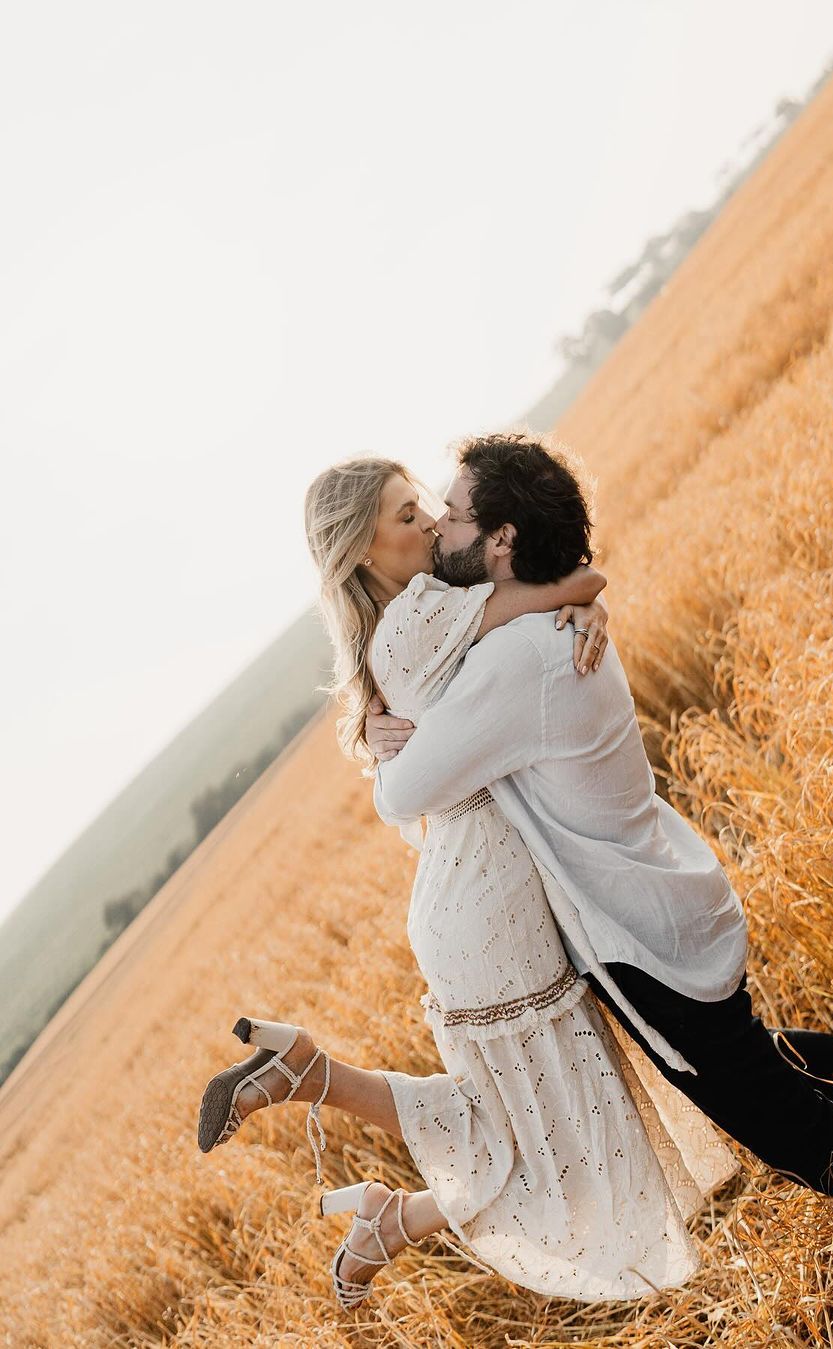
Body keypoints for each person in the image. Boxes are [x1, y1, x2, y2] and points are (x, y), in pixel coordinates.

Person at [366, 431, 833, 1251]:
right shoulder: (546, 624)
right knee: (760, 1066)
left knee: (793, 1133)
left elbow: (403, 794)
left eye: (453, 514)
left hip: (640, 941)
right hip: (669, 898)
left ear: (503, 541)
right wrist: (583, 591)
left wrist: (384, 745)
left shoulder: (520, 659)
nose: (441, 527)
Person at [198, 454, 743, 1311]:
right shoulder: (423, 615)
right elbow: (570, 581)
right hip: (490, 897)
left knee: (525, 1117)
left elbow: (544, 602)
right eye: (404, 513)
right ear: (363, 548)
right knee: (555, 1128)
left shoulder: (400, 630)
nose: (424, 523)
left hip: (467, 896)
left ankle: (326, 1098)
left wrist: (578, 602)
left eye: (422, 507)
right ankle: (360, 1152)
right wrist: (582, 598)